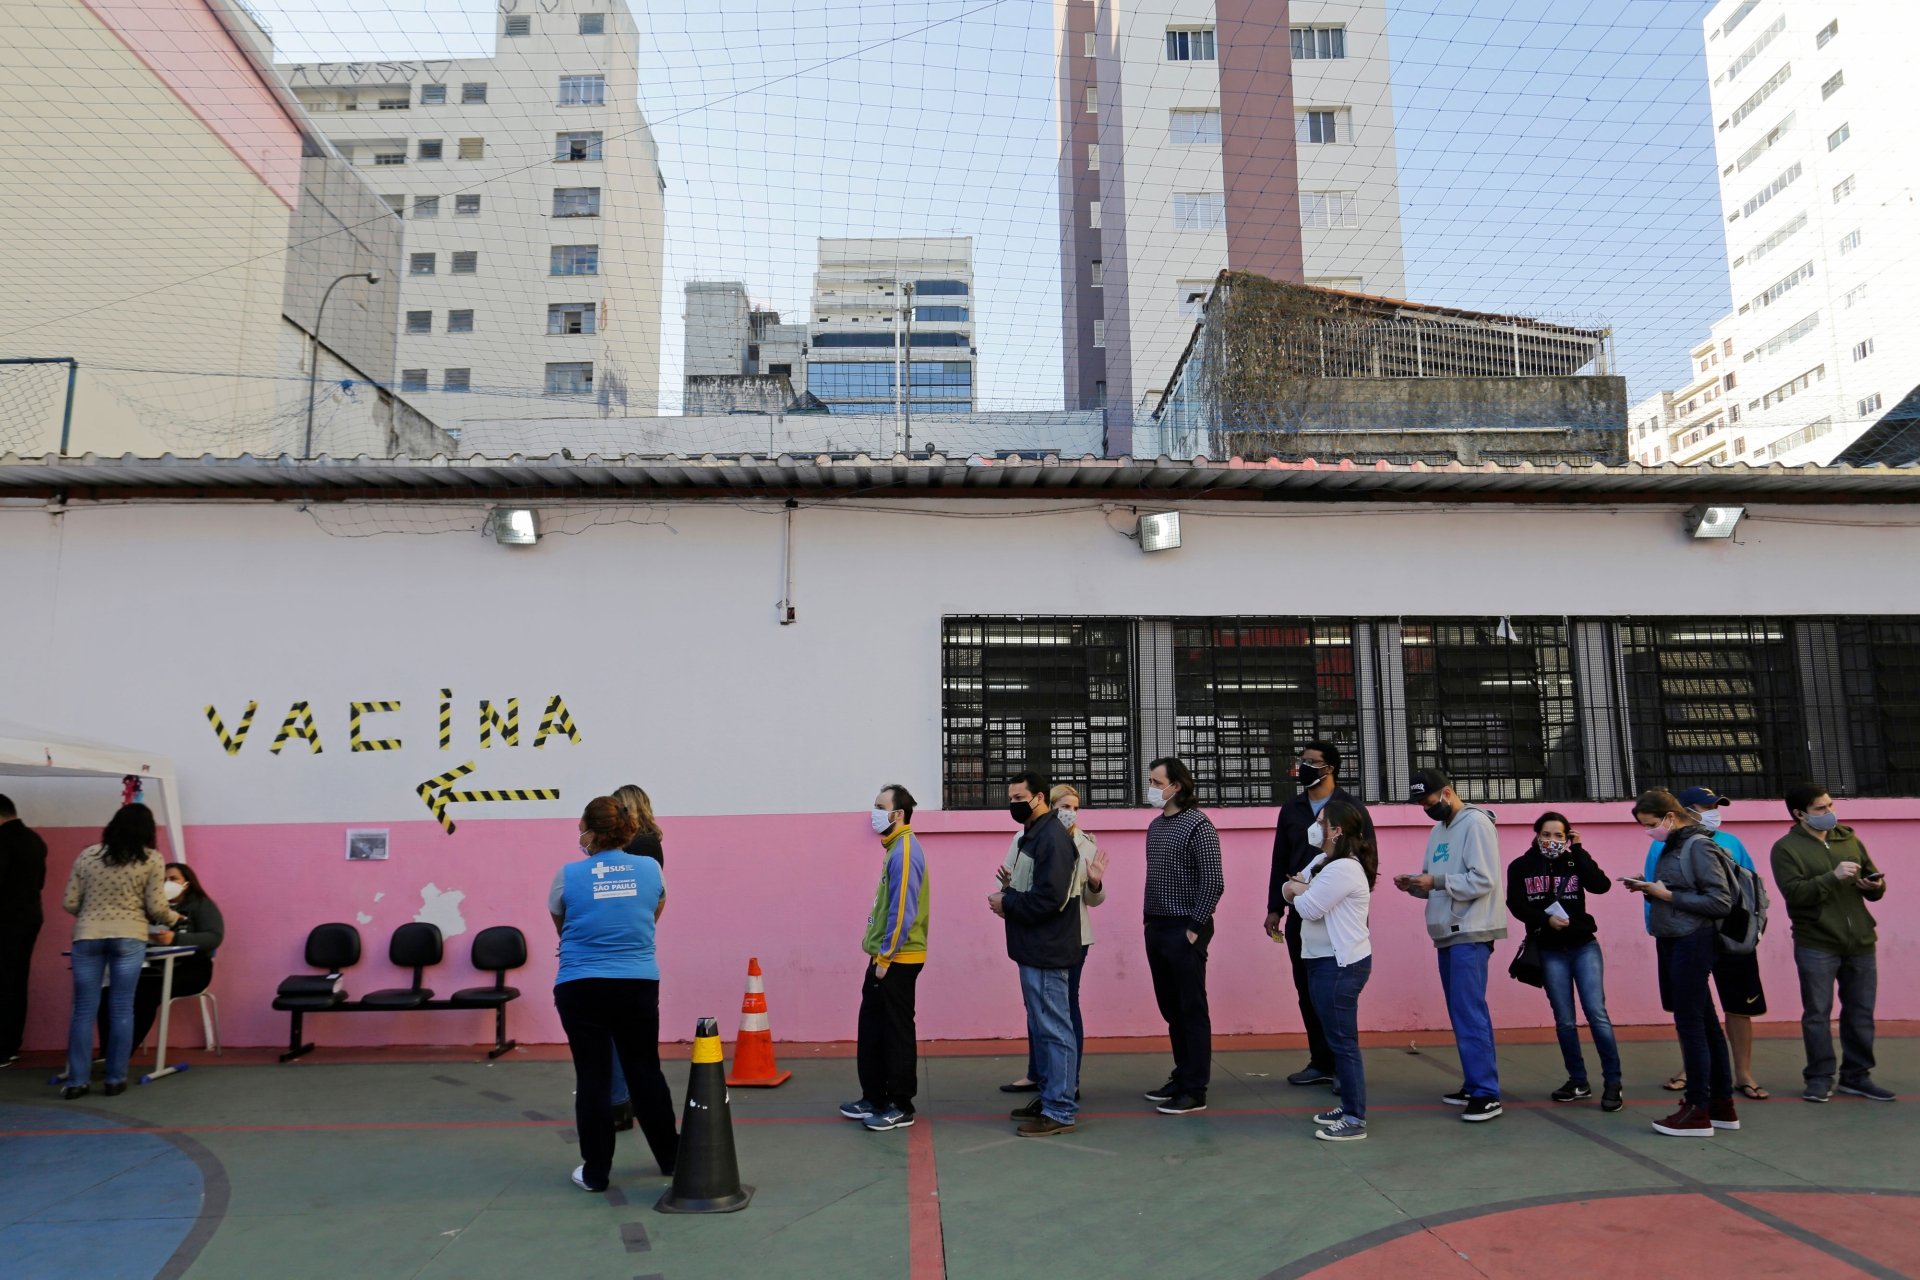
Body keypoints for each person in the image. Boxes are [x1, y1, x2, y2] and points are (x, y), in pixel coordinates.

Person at [548, 796, 678, 1191]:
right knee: (645, 1070)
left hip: (580, 985)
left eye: (581, 829)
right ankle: (672, 1160)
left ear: (590, 831)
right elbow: (652, 915)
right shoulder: (651, 869)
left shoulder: (567, 875)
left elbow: (563, 924)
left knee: (593, 1077)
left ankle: (596, 1173)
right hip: (636, 983)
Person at [1769, 783, 1893, 1104]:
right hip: (1816, 942)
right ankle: (1819, 1076)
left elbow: (1874, 886)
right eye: (1820, 809)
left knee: (1861, 1012)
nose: (1830, 813)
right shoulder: (1786, 849)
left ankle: (1857, 1076)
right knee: (1817, 1013)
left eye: (1830, 805)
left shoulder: (1848, 838)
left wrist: (1872, 886)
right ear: (1799, 814)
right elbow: (1795, 894)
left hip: (1861, 940)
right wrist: (1831, 877)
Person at [1625, 788, 1738, 1138]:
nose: (1649, 831)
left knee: (1691, 1025)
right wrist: (1651, 888)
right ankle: (1720, 1105)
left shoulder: (1698, 846)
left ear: (1671, 817)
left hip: (1693, 939)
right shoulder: (1674, 845)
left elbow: (1720, 901)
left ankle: (1696, 1109)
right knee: (1705, 1025)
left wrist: (1666, 894)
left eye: (1651, 824)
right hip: (1676, 937)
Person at [1395, 768, 1506, 1122]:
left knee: (1470, 1011)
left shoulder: (1475, 824)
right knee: (1462, 1011)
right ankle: (1475, 1083)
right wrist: (1414, 884)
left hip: (1471, 930)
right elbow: (1436, 881)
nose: (1425, 808)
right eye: (1420, 804)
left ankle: (1487, 1092)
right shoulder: (1438, 831)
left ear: (1447, 792)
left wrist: (1435, 880)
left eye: (1428, 800)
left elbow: (1483, 879)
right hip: (1446, 930)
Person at [1650, 786, 1769, 1101]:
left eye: (1716, 806)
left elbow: (1747, 888)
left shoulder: (1732, 843)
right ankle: (1693, 1070)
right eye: (1706, 807)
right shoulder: (1663, 844)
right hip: (1688, 935)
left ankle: (1742, 1072)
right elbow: (1657, 890)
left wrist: (1753, 928)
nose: (1714, 812)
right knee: (1692, 1008)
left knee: (1738, 1005)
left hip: (1729, 935)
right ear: (1683, 811)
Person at [1266, 742, 1374, 1090]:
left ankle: (1344, 1068)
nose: (1303, 767)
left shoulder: (1350, 808)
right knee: (1308, 989)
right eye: (1302, 761)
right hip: (1301, 913)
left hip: (1337, 915)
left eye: (1311, 762)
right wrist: (1275, 906)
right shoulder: (1292, 809)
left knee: (1336, 997)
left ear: (1330, 768)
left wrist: (1351, 903)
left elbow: (1367, 858)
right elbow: (1281, 861)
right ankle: (1321, 1061)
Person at [1505, 812, 1622, 1112]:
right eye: (1547, 834)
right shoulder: (1520, 866)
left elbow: (1601, 885)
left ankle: (1613, 1082)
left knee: (1596, 1013)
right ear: (1536, 835)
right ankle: (1578, 1080)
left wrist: (1579, 850)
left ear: (1568, 837)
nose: (1552, 841)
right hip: (1549, 949)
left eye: (1559, 836)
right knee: (1565, 1019)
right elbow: (1515, 904)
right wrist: (1545, 919)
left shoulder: (1574, 861)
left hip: (1584, 946)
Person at [58, 803, 176, 1099]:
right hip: (129, 936)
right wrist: (175, 919)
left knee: (83, 1010)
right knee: (122, 1007)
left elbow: (70, 901)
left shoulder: (88, 855)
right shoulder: (151, 859)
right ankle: (114, 1079)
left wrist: (93, 915)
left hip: (87, 935)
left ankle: (77, 1082)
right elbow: (156, 907)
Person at [988, 771, 1081, 1137]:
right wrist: (1010, 891)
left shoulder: (1051, 838)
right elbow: (1034, 887)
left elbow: (1049, 898)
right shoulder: (1034, 834)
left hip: (1047, 950)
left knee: (1056, 1030)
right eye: (1010, 798)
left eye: (1019, 797)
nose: (1013, 804)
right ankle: (1049, 1098)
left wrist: (1007, 901)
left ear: (1039, 797)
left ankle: (1060, 1110)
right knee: (1044, 1029)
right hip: (1033, 948)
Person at [998, 783, 1107, 1096]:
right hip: (1036, 934)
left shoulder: (1087, 844)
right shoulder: (1024, 838)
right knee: (1038, 1009)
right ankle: (1040, 1073)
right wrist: (1007, 893)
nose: (1069, 813)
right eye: (1065, 806)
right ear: (1050, 805)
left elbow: (1089, 899)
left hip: (1071, 937)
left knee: (1064, 1009)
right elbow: (1009, 879)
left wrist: (1096, 884)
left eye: (1075, 807)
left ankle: (1066, 1083)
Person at [1281, 800, 1375, 1143]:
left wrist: (1299, 890)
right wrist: (1297, 889)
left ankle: (1354, 1117)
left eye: (1321, 822)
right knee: (1337, 1040)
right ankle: (1350, 1104)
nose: (1315, 826)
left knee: (1343, 1042)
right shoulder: (1323, 861)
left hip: (1340, 965)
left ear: (1336, 831)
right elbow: (1288, 888)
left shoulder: (1343, 869)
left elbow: (1306, 906)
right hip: (1322, 962)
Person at [839, 785, 930, 1133]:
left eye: (880, 807)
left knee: (896, 1031)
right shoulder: (894, 849)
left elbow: (902, 912)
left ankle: (900, 1105)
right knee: (873, 1028)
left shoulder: (905, 851)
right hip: (883, 955)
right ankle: (874, 1097)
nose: (873, 813)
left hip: (898, 959)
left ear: (898, 815)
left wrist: (886, 957)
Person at [1140, 757, 1225, 1117]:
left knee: (1191, 1008)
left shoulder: (1198, 826)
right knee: (1171, 1007)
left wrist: (1193, 927)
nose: (1152, 789)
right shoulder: (1156, 827)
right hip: (1156, 926)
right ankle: (1181, 1074)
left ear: (1176, 786)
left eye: (1157, 782)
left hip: (1184, 927)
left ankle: (1195, 1089)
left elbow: (1213, 882)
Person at [98, 862, 224, 1055]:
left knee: (146, 994)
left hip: (192, 969)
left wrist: (175, 938)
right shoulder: (153, 908)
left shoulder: (201, 904)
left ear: (187, 883)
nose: (167, 883)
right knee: (111, 992)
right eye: (163, 880)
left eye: (173, 879)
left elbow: (214, 937)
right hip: (155, 967)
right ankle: (106, 1054)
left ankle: (119, 1054)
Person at [606, 782, 666, 1131]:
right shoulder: (651, 846)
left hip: (619, 945)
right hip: (636, 943)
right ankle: (634, 1099)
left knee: (618, 1030)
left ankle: (621, 1100)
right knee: (635, 1031)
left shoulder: (637, 848)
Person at [0, 795, 48, 1067]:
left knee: (4, 982)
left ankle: (3, 1047)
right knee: (16, 981)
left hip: (4, 920)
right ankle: (10, 1045)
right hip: (29, 917)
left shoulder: (3, 840)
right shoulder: (34, 840)